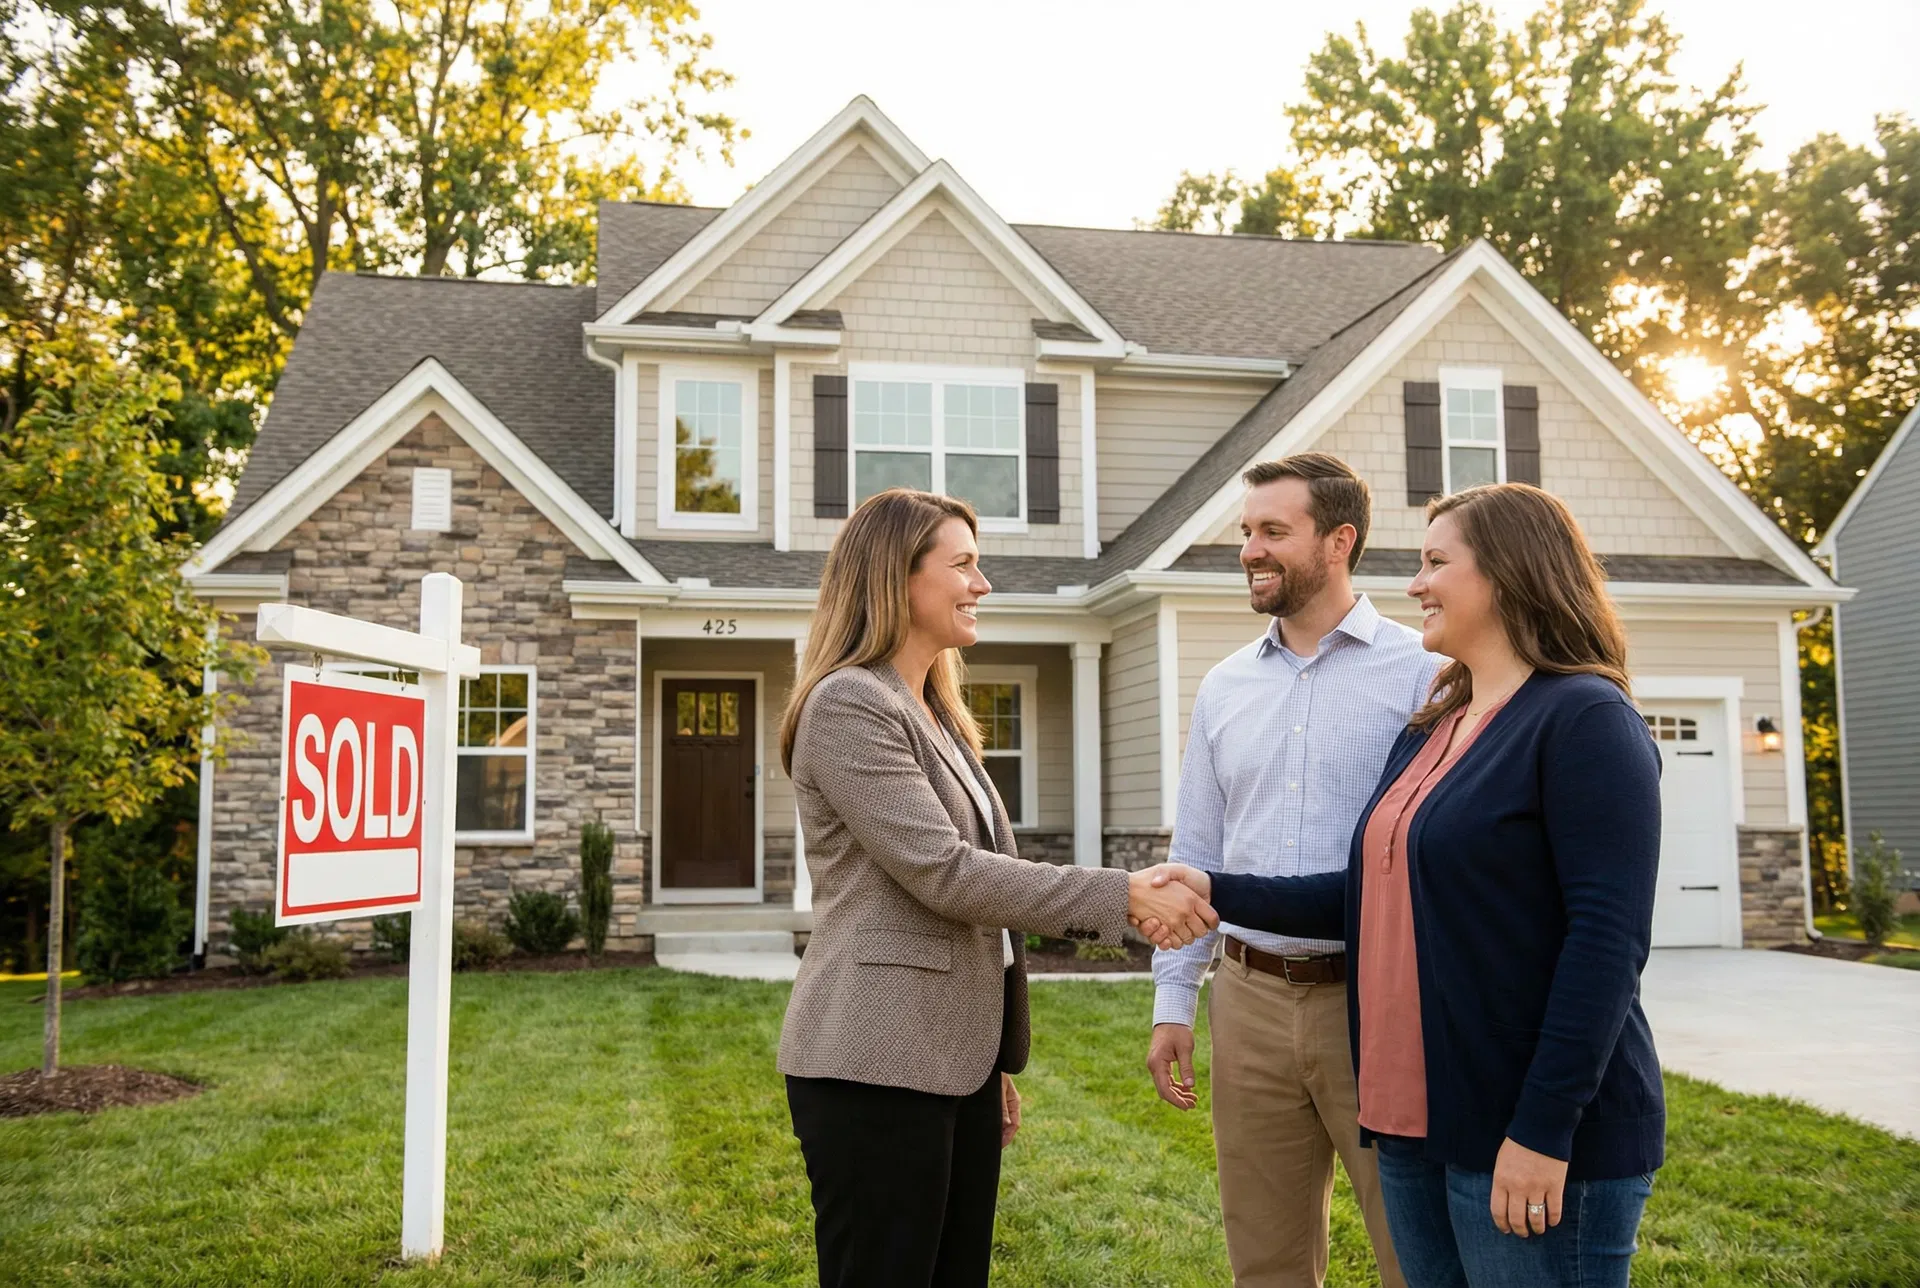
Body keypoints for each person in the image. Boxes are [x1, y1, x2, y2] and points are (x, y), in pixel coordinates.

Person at [1146, 482, 1666, 1288]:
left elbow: (1607, 941)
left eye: (1434, 563)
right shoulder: (1439, 725)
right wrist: (1213, 888)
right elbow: (1368, 894)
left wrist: (1543, 1127)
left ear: (1508, 573)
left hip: (1526, 1124)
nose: (1415, 583)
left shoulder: (1585, 718)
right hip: (1426, 1118)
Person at [777, 487, 1217, 1288]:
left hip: (947, 1059)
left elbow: (973, 889)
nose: (982, 584)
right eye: (964, 565)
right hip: (873, 1063)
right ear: (896, 577)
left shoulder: (935, 712)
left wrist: (982, 1060)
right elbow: (946, 873)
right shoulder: (849, 704)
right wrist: (1124, 895)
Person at [1149, 454, 1438, 1288]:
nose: (1249, 550)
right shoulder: (1224, 686)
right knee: (1266, 1258)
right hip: (1248, 1001)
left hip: (1378, 1001)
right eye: (1247, 532)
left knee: (1413, 1251)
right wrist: (1174, 1001)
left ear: (1339, 541)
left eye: (1274, 531)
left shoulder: (1426, 673)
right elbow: (1197, 852)